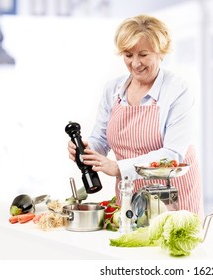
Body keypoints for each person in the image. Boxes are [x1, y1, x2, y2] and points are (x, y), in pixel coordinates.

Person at [67, 14, 204, 219]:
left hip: (172, 198)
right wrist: (86, 151)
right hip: (130, 195)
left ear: (161, 52)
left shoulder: (177, 90)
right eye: (128, 55)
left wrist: (119, 168)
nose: (135, 63)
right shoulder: (113, 89)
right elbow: (101, 139)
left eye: (143, 54)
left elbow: (173, 154)